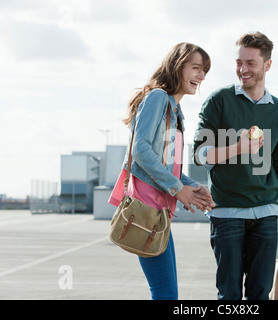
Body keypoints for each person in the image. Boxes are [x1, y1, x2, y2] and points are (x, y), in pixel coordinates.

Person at [193, 32, 278, 300]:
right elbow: (200, 154)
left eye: (250, 63)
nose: (243, 70)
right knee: (229, 295)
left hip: (266, 216)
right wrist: (237, 148)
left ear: (267, 65)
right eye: (239, 62)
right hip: (227, 214)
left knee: (259, 295)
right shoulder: (220, 100)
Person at [109, 42, 215, 300]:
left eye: (204, 71)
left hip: (159, 214)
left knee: (166, 293)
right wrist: (179, 189)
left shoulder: (175, 110)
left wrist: (192, 187)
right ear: (178, 67)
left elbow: (169, 167)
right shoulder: (157, 98)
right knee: (165, 294)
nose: (201, 76)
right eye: (196, 68)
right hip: (146, 212)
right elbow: (141, 149)